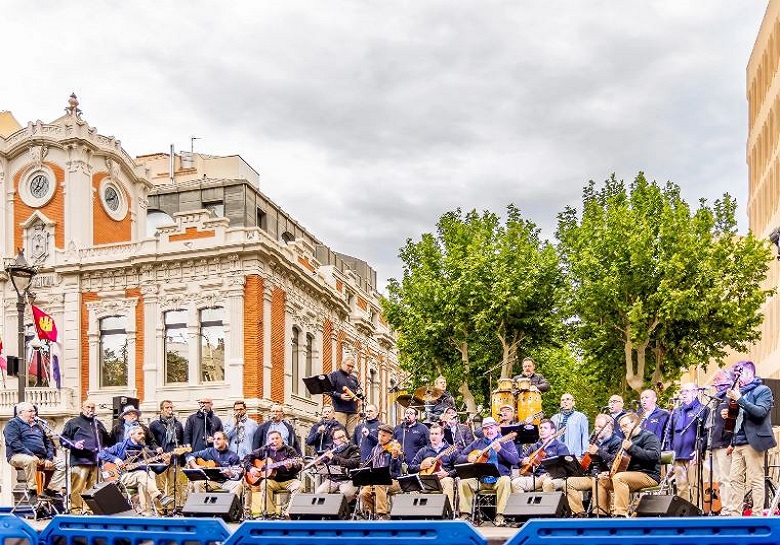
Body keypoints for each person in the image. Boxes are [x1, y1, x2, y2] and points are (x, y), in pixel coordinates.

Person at [721, 361, 776, 516]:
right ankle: (735, 515)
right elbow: (739, 418)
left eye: (739, 374)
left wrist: (740, 400)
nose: (736, 378)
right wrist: (729, 415)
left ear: (749, 373)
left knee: (756, 479)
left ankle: (757, 515)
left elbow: (760, 412)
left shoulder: (763, 390)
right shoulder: (739, 392)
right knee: (734, 479)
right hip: (738, 442)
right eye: (735, 375)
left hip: (753, 442)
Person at [457, 417, 519, 527]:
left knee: (505, 480)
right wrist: (468, 458)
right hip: (480, 480)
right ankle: (465, 515)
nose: (489, 430)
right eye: (486, 428)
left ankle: (500, 516)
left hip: (498, 479)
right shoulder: (477, 443)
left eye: (491, 427)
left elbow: (514, 460)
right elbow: (459, 457)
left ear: (496, 428)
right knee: (464, 482)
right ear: (483, 430)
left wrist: (500, 450)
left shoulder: (506, 442)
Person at [595, 412, 660, 517]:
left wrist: (631, 448)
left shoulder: (649, 437)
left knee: (619, 478)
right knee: (600, 480)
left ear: (635, 423)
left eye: (625, 425)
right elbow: (616, 460)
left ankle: (620, 515)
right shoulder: (625, 441)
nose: (623, 429)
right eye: (621, 427)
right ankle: (602, 515)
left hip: (648, 475)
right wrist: (608, 471)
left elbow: (653, 456)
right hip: (628, 476)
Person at [98, 427, 174, 515]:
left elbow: (157, 469)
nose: (143, 436)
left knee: (144, 482)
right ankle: (160, 497)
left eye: (143, 434)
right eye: (139, 433)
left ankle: (146, 514)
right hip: (121, 477)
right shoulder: (120, 446)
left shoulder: (146, 451)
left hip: (140, 479)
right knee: (143, 475)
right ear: (131, 435)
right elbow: (101, 454)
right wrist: (116, 460)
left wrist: (166, 463)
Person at [4, 401, 66, 502]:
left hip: (40, 457)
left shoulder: (38, 426)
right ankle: (32, 490)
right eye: (30, 411)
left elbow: (48, 443)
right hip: (18, 455)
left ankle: (50, 491)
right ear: (21, 413)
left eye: (34, 411)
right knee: (30, 460)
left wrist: (49, 458)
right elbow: (14, 442)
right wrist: (31, 454)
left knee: (63, 463)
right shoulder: (13, 424)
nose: (34, 413)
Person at [60, 398, 111, 514]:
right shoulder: (73, 422)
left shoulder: (98, 424)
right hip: (80, 461)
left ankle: (90, 512)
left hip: (96, 461)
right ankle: (76, 511)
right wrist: (74, 444)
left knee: (93, 489)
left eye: (92, 407)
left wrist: (106, 449)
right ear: (82, 408)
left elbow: (107, 440)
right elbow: (63, 439)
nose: (90, 409)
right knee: (77, 489)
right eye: (88, 407)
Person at [565, 414, 621, 516]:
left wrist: (598, 451)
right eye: (595, 426)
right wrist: (580, 460)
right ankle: (579, 513)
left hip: (605, 477)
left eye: (600, 427)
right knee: (568, 483)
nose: (596, 429)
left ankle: (600, 515)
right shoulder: (594, 440)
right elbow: (587, 458)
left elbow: (615, 461)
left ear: (609, 428)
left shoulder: (616, 441)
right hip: (591, 476)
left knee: (598, 481)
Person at [666, 382, 708, 504]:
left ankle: (697, 511)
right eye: (682, 392)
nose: (683, 394)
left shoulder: (703, 409)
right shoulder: (676, 412)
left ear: (696, 392)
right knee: (681, 487)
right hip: (677, 456)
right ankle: (683, 512)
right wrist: (670, 454)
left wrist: (699, 450)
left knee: (696, 487)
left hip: (693, 456)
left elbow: (706, 433)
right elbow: (669, 433)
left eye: (687, 391)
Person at [245, 430, 302, 517]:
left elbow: (298, 466)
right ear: (268, 441)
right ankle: (270, 513)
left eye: (277, 438)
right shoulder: (264, 450)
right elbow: (247, 458)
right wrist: (251, 468)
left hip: (289, 480)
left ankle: (289, 513)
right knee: (264, 484)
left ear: (281, 439)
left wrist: (291, 467)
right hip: (272, 481)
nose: (275, 440)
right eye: (272, 439)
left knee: (299, 486)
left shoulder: (289, 450)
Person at [512, 419, 569, 493]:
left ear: (552, 431)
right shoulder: (535, 446)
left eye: (545, 428)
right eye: (541, 428)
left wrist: (548, 475)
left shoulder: (560, 446)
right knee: (515, 483)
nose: (542, 430)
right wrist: (522, 461)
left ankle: (549, 501)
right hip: (536, 477)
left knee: (547, 483)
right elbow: (519, 460)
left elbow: (566, 467)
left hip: (555, 477)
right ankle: (523, 501)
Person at [359, 424, 403, 520]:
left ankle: (382, 514)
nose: (380, 437)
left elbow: (396, 469)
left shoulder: (395, 448)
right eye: (379, 434)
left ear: (390, 436)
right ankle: (376, 514)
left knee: (379, 482)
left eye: (384, 435)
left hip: (394, 481)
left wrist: (395, 458)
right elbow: (368, 463)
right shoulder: (375, 449)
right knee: (364, 493)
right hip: (377, 481)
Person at [149, 400, 186, 510]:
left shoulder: (178, 424)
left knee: (174, 486)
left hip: (175, 459)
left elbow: (181, 442)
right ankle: (160, 511)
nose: (170, 410)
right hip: (161, 459)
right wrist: (157, 448)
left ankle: (171, 510)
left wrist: (182, 458)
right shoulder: (154, 424)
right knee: (159, 487)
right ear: (161, 410)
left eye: (171, 407)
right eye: (167, 408)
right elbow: (151, 441)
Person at [409, 424, 457, 508]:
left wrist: (447, 474)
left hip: (442, 480)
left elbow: (459, 469)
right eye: (432, 434)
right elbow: (410, 468)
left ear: (442, 435)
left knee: (448, 481)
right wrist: (421, 466)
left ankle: (448, 511)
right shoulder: (423, 451)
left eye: (436, 434)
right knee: (413, 485)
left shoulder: (451, 449)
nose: (433, 436)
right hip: (426, 480)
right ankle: (415, 513)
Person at [707, 369, 734, 515]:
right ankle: (723, 507)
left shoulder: (730, 398)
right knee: (718, 479)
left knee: (725, 478)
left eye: (718, 379)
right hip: (715, 444)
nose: (715, 382)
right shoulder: (715, 400)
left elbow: (734, 422)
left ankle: (728, 508)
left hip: (725, 444)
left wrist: (731, 443)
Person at [185, 431, 243, 495]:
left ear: (225, 441)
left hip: (227, 482)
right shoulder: (208, 451)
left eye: (218, 439)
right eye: (214, 439)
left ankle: (232, 501)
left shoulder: (233, 456)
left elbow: (238, 475)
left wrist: (231, 474)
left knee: (238, 485)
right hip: (211, 482)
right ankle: (202, 501)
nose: (215, 441)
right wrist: (195, 466)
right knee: (198, 484)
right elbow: (190, 455)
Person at [313, 428, 360, 502]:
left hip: (349, 479)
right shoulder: (330, 449)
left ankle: (342, 508)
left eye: (343, 436)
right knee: (319, 493)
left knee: (346, 493)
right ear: (334, 440)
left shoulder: (353, 448)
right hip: (333, 479)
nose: (343, 439)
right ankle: (329, 508)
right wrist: (319, 464)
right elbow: (324, 464)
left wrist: (334, 457)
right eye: (339, 437)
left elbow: (353, 463)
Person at [328, 355, 363, 436]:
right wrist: (340, 396)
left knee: (351, 436)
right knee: (340, 434)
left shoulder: (354, 378)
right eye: (348, 365)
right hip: (340, 410)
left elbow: (357, 392)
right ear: (342, 364)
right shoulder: (334, 375)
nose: (350, 368)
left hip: (353, 411)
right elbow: (328, 390)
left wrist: (359, 399)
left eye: (352, 367)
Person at [551, 393, 589, 457]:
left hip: (575, 455)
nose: (565, 401)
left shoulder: (581, 417)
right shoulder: (554, 418)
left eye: (568, 399)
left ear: (573, 402)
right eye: (562, 400)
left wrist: (584, 453)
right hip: (557, 455)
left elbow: (585, 436)